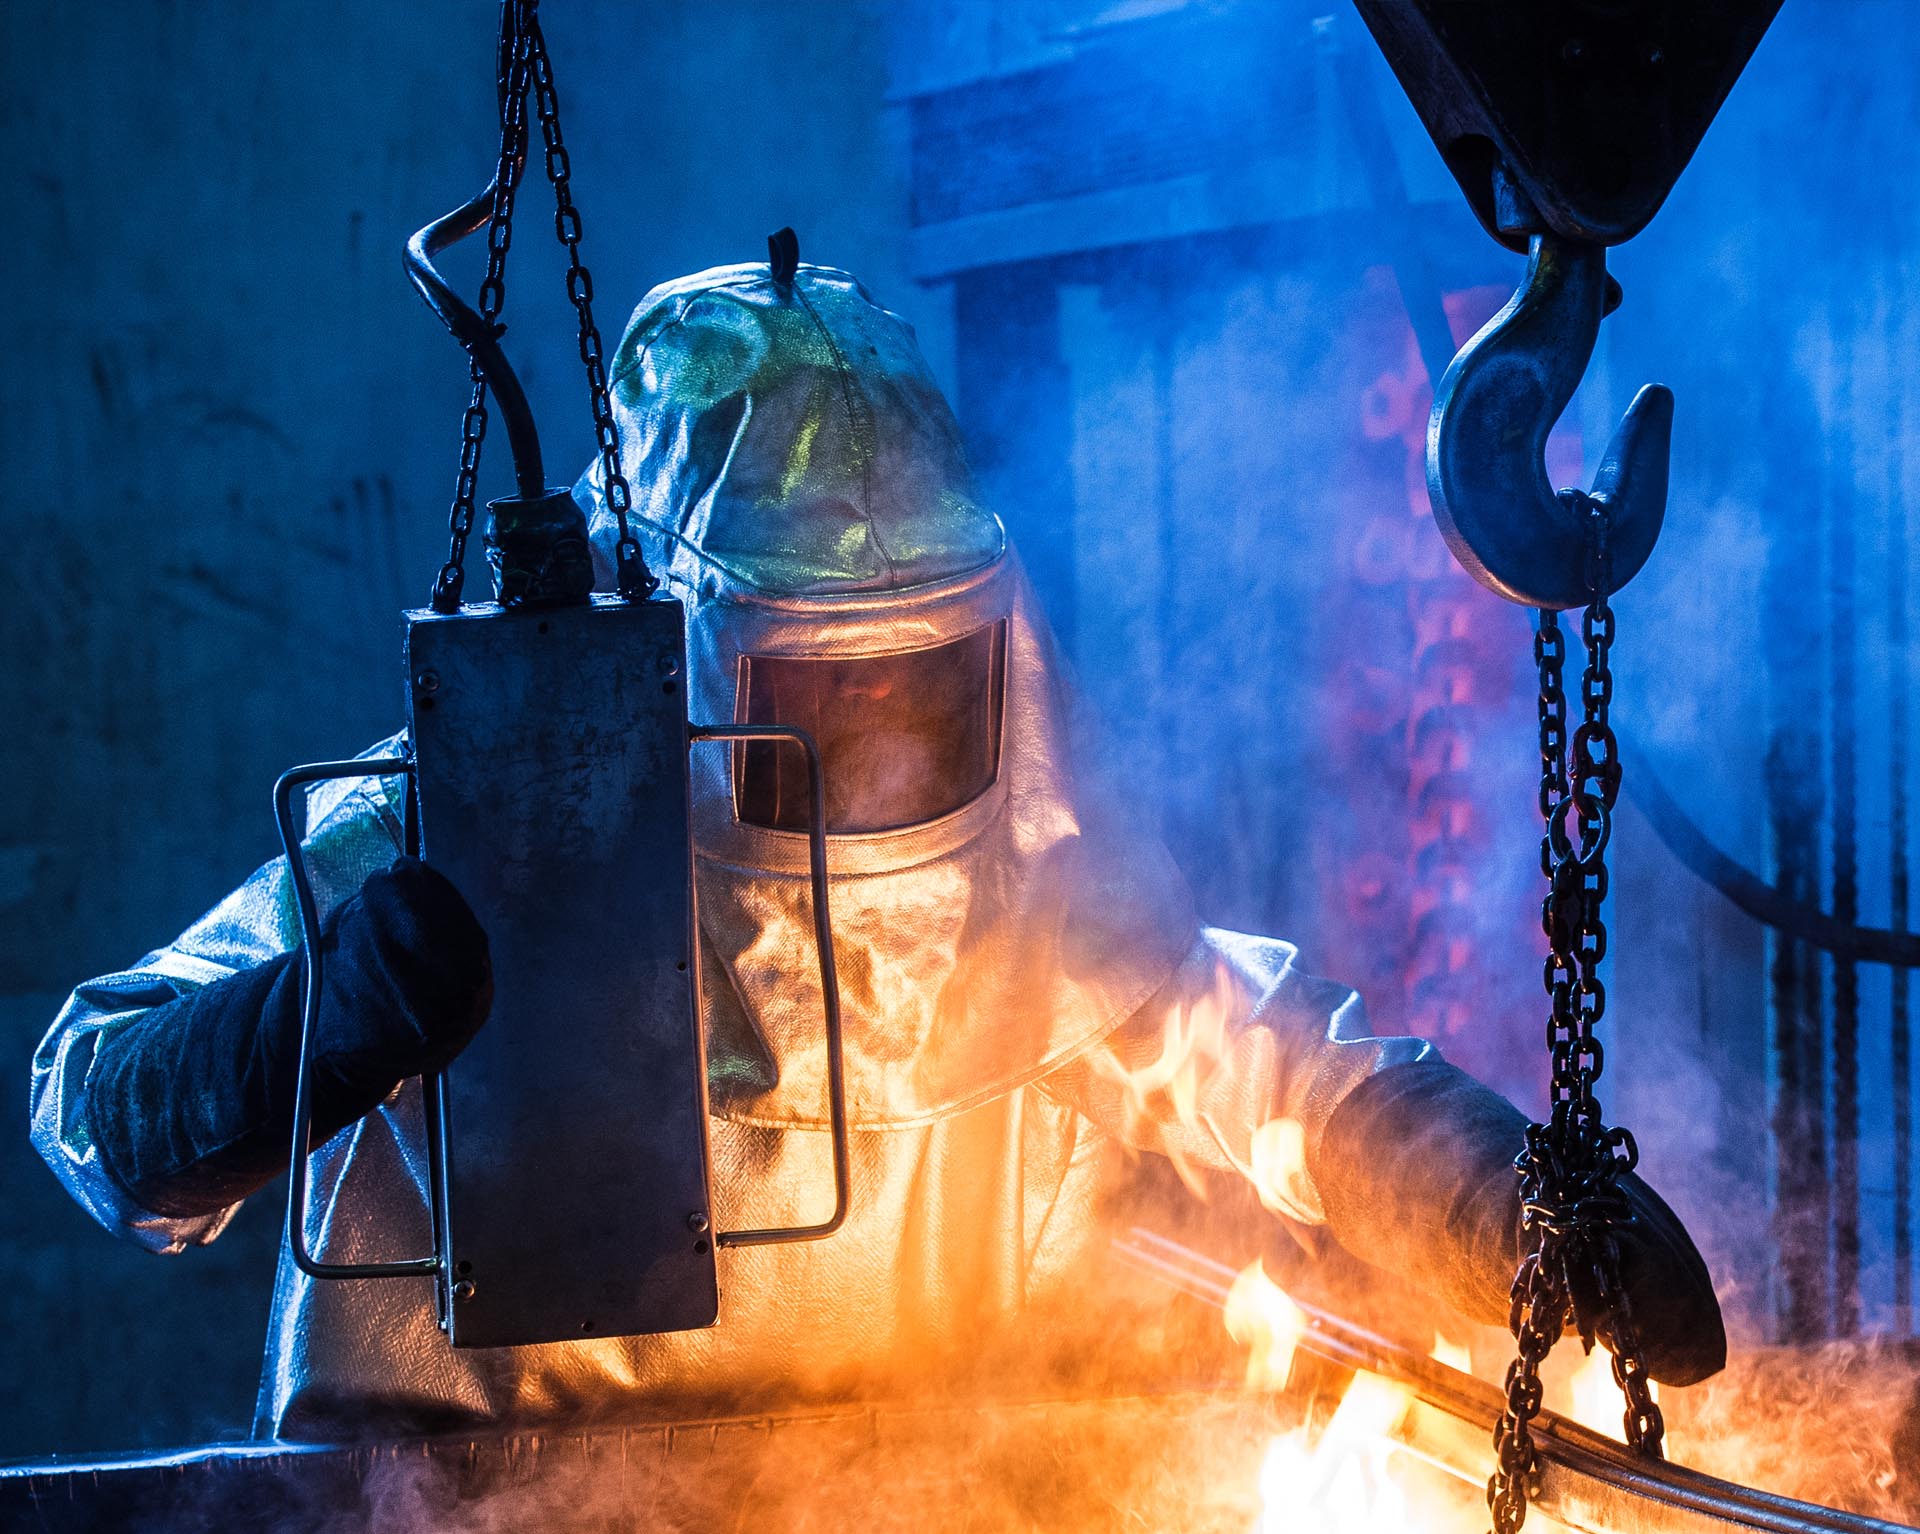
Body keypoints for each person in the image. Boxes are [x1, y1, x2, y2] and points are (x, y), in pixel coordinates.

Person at [30, 258, 1725, 1441]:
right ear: (669, 651)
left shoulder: (1024, 880)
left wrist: (1505, 1193)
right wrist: (309, 1025)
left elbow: (1277, 1072)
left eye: (925, 674)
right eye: (821, 689)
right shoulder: (472, 829)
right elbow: (90, 1110)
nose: (889, 739)